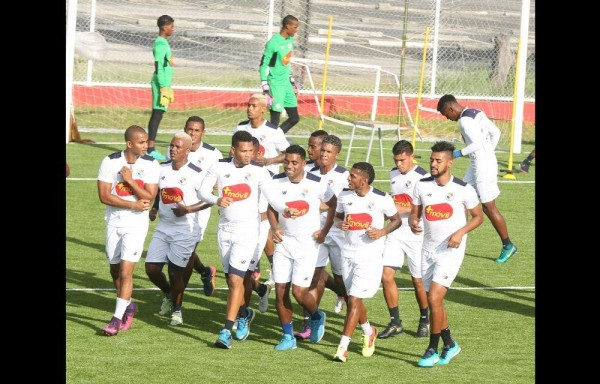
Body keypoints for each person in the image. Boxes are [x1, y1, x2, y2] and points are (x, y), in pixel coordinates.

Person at [409, 141, 484, 367]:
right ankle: (450, 344)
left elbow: (478, 216)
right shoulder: (421, 186)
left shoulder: (463, 188)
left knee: (433, 298)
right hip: (428, 249)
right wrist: (414, 223)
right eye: (432, 160)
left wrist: (460, 233)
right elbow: (415, 214)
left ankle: (432, 349)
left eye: (438, 161)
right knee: (436, 302)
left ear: (450, 163)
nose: (433, 164)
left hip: (450, 250)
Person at [199, 130, 273, 349]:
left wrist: (285, 212)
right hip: (225, 231)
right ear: (233, 150)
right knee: (233, 280)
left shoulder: (260, 171)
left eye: (251, 150)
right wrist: (216, 199)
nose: (248, 154)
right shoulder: (220, 166)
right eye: (244, 150)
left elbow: (274, 198)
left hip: (248, 231)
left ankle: (225, 331)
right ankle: (244, 313)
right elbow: (201, 190)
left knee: (235, 280)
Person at [263, 144, 336, 350]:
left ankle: (316, 316)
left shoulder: (318, 182)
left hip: (306, 244)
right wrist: (275, 228)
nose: (289, 166)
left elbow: (333, 204)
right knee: (280, 290)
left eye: (294, 162)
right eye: (286, 161)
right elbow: (271, 208)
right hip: (285, 242)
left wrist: (324, 231)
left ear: (304, 163)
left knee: (299, 292)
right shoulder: (276, 182)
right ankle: (288, 337)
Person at [332, 162, 401, 363]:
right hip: (348, 254)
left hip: (369, 257)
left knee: (353, 299)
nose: (348, 179)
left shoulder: (381, 198)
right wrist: (340, 223)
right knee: (355, 298)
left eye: (352, 176)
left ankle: (342, 347)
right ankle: (369, 331)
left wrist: (381, 232)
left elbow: (396, 220)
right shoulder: (344, 196)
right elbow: (337, 217)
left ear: (364, 179)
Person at [436, 94, 517, 264]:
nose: (447, 118)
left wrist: (457, 154)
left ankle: (508, 245)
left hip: (483, 168)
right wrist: (488, 152)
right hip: (478, 164)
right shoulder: (475, 112)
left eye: (445, 114)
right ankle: (453, 238)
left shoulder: (464, 121)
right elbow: (496, 132)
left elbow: (477, 144)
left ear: (451, 109)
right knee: (460, 196)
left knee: (488, 207)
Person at [97, 125, 160, 336]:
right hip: (114, 222)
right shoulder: (110, 161)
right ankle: (128, 305)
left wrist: (130, 181)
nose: (146, 146)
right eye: (141, 142)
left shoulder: (151, 164)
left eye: (146, 141)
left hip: (136, 225)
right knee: (114, 270)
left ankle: (116, 319)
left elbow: (149, 196)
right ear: (129, 143)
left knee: (126, 271)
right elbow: (104, 196)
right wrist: (132, 204)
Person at [144, 132, 211, 326]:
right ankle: (168, 293)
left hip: (186, 228)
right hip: (164, 226)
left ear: (188, 150)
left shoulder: (197, 173)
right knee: (151, 269)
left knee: (175, 273)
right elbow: (160, 191)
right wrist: (155, 207)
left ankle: (177, 311)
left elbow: (210, 200)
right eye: (172, 145)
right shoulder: (161, 168)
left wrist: (188, 209)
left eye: (178, 147)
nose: (173, 149)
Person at [154, 116, 221, 297]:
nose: (192, 133)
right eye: (189, 129)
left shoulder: (213, 154)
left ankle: (178, 295)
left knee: (189, 249)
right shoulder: (175, 149)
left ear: (203, 133)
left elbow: (221, 179)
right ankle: (205, 272)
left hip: (197, 209)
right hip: (175, 206)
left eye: (196, 130)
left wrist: (215, 184)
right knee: (187, 251)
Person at [296, 134, 349, 341]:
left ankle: (352, 314)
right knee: (310, 276)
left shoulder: (345, 176)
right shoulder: (308, 172)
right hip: (314, 234)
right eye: (322, 150)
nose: (324, 154)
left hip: (338, 234)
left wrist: (340, 217)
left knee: (341, 278)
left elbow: (349, 204)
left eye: (328, 152)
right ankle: (310, 322)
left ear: (337, 154)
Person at [378, 140, 431, 339]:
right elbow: (395, 200)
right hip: (395, 233)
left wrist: (402, 210)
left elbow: (427, 206)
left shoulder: (423, 177)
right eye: (396, 160)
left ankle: (424, 319)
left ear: (411, 156)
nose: (399, 164)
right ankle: (395, 322)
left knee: (418, 281)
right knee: (386, 275)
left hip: (416, 235)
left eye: (402, 160)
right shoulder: (393, 173)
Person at [259, 15, 300, 134]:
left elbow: (286, 64)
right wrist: (265, 85)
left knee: (294, 118)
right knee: (274, 122)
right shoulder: (273, 43)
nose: (296, 30)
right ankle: (268, 145)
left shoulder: (290, 40)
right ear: (287, 26)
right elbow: (263, 65)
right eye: (295, 27)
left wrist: (292, 83)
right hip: (275, 84)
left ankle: (274, 138)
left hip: (286, 84)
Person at [235, 93, 290, 175]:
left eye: (254, 106)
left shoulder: (274, 131)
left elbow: (288, 154)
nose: (250, 109)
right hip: (244, 174)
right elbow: (233, 151)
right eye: (249, 105)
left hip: (267, 175)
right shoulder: (240, 127)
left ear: (263, 109)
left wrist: (268, 161)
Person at [146, 15, 175, 161]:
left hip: (164, 84)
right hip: (160, 84)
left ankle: (150, 147)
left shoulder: (163, 43)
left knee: (159, 114)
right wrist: (163, 87)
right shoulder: (160, 44)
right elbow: (158, 67)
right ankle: (150, 149)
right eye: (171, 26)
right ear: (164, 27)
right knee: (156, 114)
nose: (173, 29)